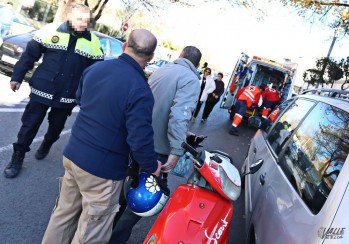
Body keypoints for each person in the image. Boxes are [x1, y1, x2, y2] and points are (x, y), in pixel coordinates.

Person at [42, 29, 162, 244]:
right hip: (102, 171)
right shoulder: (141, 90)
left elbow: (80, 98)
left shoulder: (97, 68)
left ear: (125, 45)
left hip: (73, 155)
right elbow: (139, 138)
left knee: (63, 214)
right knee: (92, 230)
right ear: (151, 57)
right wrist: (152, 166)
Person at [109, 46, 202, 244]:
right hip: (157, 150)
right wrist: (177, 150)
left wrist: (184, 134)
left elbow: (158, 106)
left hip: (138, 139)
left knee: (129, 188)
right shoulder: (191, 79)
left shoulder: (163, 70)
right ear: (198, 65)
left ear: (180, 56)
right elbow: (178, 116)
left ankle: (105, 231)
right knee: (145, 199)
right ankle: (114, 240)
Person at [3, 4, 104, 179]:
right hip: (42, 88)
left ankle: (48, 142)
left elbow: (95, 73)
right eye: (79, 19)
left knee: (56, 127)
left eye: (86, 21)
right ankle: (17, 156)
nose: (83, 24)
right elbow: (30, 55)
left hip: (68, 94)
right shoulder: (50, 30)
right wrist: (17, 76)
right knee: (29, 124)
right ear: (70, 17)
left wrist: (89, 95)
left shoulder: (93, 42)